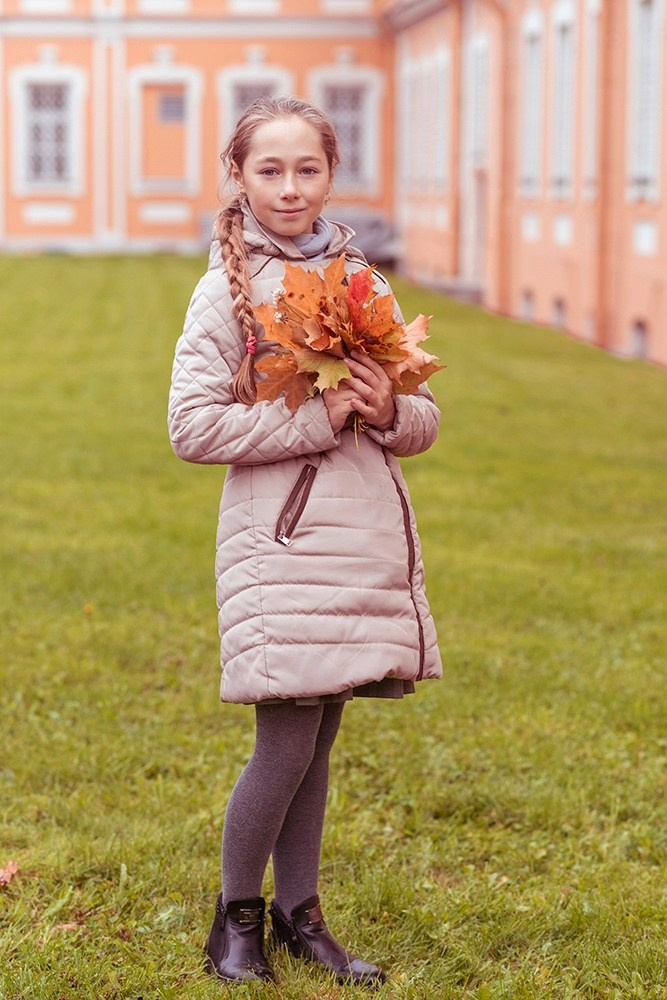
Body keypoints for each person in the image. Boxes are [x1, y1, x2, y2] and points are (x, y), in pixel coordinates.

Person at [168, 95, 442, 986]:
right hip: (281, 548)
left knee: (317, 740)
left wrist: (389, 408)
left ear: (330, 173)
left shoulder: (363, 280)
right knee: (284, 741)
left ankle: (300, 914)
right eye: (269, 170)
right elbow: (193, 428)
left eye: (307, 169)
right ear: (237, 177)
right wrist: (314, 420)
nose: (289, 188)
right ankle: (235, 920)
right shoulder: (228, 289)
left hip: (356, 539)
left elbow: (425, 418)